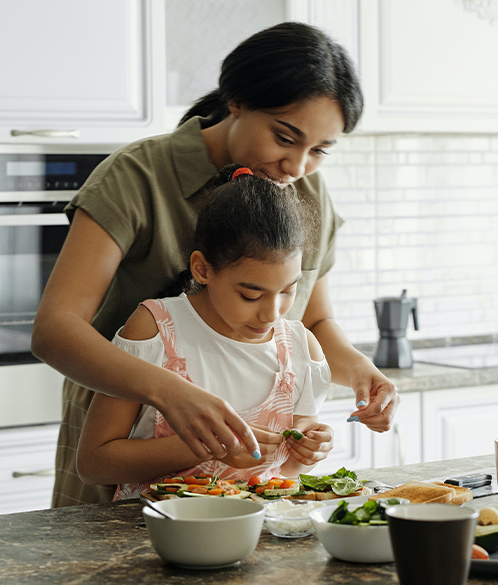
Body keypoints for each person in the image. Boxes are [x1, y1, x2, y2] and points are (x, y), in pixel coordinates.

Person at [32, 21, 401, 506]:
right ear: (238, 101)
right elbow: (55, 329)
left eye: (319, 151)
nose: (297, 166)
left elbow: (311, 319)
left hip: (245, 487)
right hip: (125, 439)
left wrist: (357, 370)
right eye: (285, 137)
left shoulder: (305, 191)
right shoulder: (137, 176)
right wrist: (171, 393)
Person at [77, 166, 332, 500]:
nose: (272, 313)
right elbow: (94, 464)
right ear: (202, 268)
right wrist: (206, 447)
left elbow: (284, 473)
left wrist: (308, 452)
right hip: (155, 535)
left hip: (257, 535)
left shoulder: (301, 349)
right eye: (250, 295)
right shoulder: (155, 330)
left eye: (288, 291)